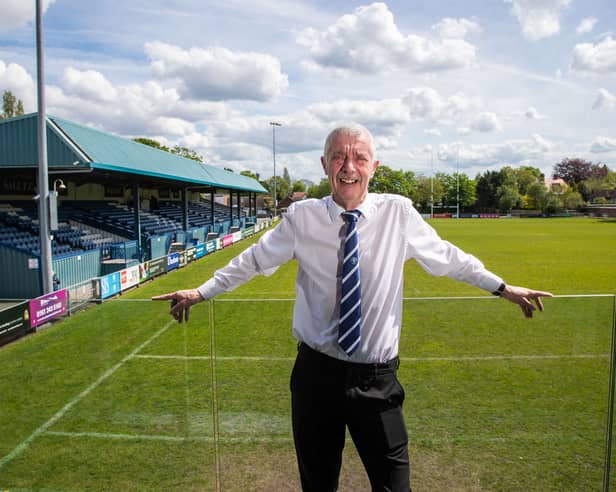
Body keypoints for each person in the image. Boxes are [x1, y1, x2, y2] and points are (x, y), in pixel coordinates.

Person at [153, 123, 552, 491]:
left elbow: (450, 258)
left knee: (395, 485)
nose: (349, 167)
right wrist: (201, 292)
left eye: (359, 158)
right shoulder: (301, 217)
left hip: (376, 381)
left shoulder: (398, 213)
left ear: (374, 167)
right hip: (315, 378)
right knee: (318, 484)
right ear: (324, 164)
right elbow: (253, 261)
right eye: (339, 157)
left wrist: (502, 287)